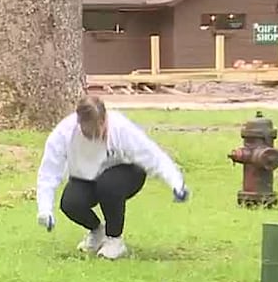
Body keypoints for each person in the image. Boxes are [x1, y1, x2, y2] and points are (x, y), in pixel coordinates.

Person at [35, 95, 189, 259]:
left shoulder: (121, 128)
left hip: (128, 173)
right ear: (79, 123)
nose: (94, 137)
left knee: (108, 184)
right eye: (88, 133)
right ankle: (97, 232)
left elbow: (152, 155)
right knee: (71, 203)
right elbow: (49, 172)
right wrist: (45, 209)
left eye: (97, 132)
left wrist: (176, 183)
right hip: (88, 175)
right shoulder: (64, 133)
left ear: (104, 120)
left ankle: (114, 239)